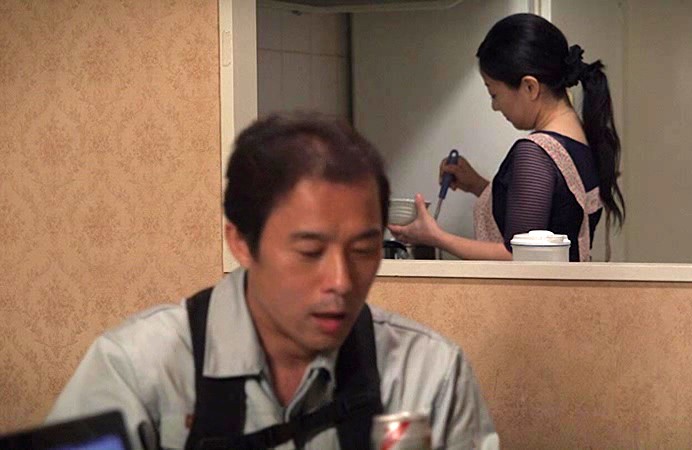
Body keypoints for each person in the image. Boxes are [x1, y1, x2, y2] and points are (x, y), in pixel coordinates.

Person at [47, 113, 498, 449]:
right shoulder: (137, 369)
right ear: (241, 243)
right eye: (309, 252)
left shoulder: (429, 374)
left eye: (363, 250)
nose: (341, 282)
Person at [389, 13, 625, 262]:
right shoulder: (580, 141)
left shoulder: (535, 153)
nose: (495, 106)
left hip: (537, 290)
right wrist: (477, 185)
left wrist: (435, 237)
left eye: (494, 94)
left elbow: (516, 256)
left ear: (530, 87)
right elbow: (553, 214)